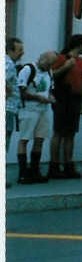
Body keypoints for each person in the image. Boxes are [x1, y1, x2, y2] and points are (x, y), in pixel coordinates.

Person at [49, 34, 82, 179]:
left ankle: (68, 165)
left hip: (75, 99)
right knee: (58, 132)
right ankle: (54, 166)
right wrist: (66, 66)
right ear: (78, 45)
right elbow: (52, 75)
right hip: (62, 98)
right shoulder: (61, 58)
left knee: (71, 133)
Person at [16, 51, 57, 184]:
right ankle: (23, 173)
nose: (49, 66)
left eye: (52, 64)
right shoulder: (28, 69)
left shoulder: (49, 72)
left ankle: (35, 171)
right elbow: (21, 93)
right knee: (25, 139)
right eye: (48, 63)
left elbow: (50, 89)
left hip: (43, 109)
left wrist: (50, 97)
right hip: (29, 109)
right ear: (41, 58)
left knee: (40, 139)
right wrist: (38, 97)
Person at [5, 37, 24, 187]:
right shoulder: (8, 63)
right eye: (19, 50)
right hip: (7, 108)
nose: (22, 53)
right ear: (10, 50)